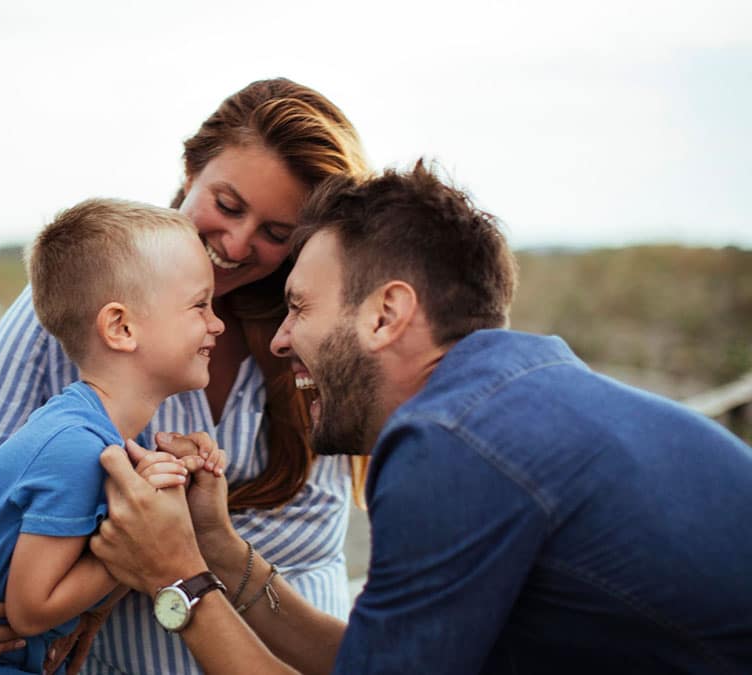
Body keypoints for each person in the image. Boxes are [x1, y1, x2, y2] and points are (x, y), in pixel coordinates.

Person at [90, 161, 752, 674]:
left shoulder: (450, 445)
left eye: (300, 306)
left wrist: (176, 576)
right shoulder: (520, 398)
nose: (283, 338)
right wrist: (220, 550)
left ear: (385, 314)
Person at [0, 78, 373, 674]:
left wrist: (150, 534)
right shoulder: (87, 305)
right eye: (227, 206)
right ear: (189, 171)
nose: (234, 243)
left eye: (276, 234)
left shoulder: (314, 334)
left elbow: (301, 536)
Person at [0, 199, 228, 674]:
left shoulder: (93, 429)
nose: (217, 322)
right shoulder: (74, 449)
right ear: (121, 327)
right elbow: (32, 608)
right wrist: (133, 552)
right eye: (200, 305)